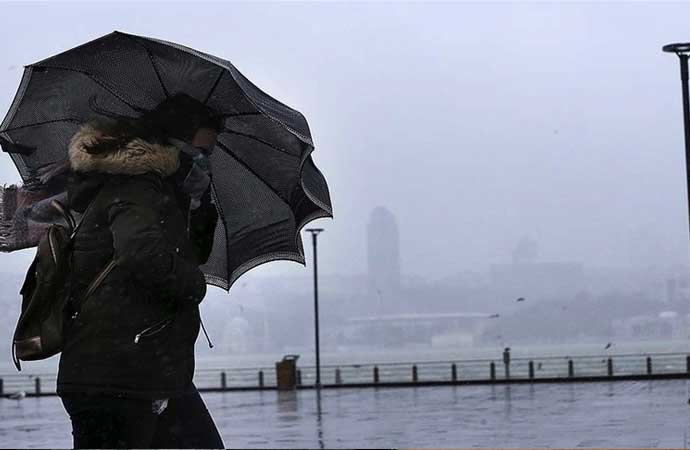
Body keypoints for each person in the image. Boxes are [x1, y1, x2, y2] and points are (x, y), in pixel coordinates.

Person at [56, 94, 225, 449]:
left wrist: (198, 201)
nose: (204, 162)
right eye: (199, 153)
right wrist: (195, 285)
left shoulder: (161, 193)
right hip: (119, 376)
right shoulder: (136, 188)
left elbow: (189, 252)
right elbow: (141, 255)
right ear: (172, 146)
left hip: (147, 371)